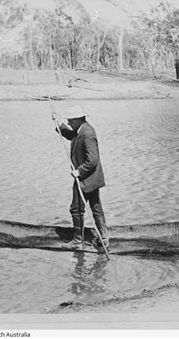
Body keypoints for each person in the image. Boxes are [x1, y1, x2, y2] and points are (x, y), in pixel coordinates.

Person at [52, 105, 109, 252]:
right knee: (96, 208)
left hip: (86, 178)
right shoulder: (81, 130)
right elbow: (71, 135)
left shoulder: (88, 133)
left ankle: (78, 241)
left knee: (76, 209)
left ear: (78, 119)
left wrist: (79, 171)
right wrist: (59, 124)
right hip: (91, 178)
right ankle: (104, 239)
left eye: (70, 120)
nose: (69, 123)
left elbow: (93, 160)